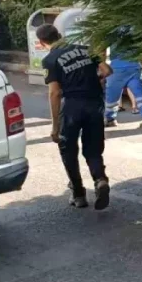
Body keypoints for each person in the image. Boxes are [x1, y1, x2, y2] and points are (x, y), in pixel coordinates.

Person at [37, 24, 112, 210]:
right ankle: (100, 179)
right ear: (60, 35)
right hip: (95, 104)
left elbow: (55, 93)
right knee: (93, 149)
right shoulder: (86, 50)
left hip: (72, 107)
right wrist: (97, 82)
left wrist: (55, 126)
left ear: (41, 42)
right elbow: (107, 70)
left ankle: (79, 194)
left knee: (68, 149)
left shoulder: (50, 60)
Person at [104, 30, 142, 128]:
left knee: (112, 95)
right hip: (134, 66)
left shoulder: (111, 29)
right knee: (139, 93)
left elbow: (103, 49)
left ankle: (109, 118)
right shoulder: (133, 28)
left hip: (118, 67)